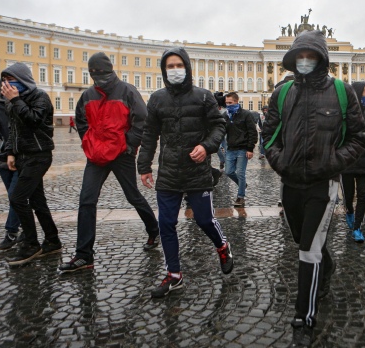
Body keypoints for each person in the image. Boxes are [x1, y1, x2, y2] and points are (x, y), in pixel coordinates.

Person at [261, 30, 365, 347]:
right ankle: (327, 265)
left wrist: (332, 163)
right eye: (300, 57)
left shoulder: (341, 91)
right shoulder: (282, 94)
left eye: (310, 56)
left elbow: (359, 138)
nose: (305, 61)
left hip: (324, 183)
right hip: (290, 182)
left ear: (321, 59)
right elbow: (268, 136)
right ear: (293, 61)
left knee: (308, 251)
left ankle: (304, 319)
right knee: (302, 240)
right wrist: (280, 162)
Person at [137, 47, 233, 298]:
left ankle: (222, 245)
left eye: (179, 65)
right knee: (166, 223)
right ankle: (174, 275)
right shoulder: (157, 99)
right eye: (170, 66)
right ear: (163, 70)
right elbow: (149, 134)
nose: (175, 70)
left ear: (187, 67)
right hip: (168, 171)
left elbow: (219, 126)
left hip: (197, 171)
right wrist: (144, 166)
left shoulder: (203, 96)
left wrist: (206, 146)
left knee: (204, 220)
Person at [59, 52, 160, 273]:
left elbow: (142, 121)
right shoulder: (88, 95)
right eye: (94, 74)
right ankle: (84, 255)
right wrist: (89, 142)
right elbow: (81, 120)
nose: (98, 78)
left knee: (132, 195)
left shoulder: (127, 91)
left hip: (121, 155)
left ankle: (154, 229)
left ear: (110, 70)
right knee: (86, 201)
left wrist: (128, 145)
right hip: (96, 155)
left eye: (101, 73)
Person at [0, 63, 61, 266]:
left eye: (10, 80)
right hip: (22, 156)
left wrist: (16, 100)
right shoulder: (11, 101)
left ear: (22, 80)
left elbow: (34, 120)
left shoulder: (39, 96)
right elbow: (12, 129)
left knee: (17, 198)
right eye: (4, 81)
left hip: (39, 155)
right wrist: (10, 152)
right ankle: (52, 241)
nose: (6, 84)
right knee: (37, 202)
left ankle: (31, 244)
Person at [0, 83, 21, 250]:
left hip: (23, 159)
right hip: (3, 160)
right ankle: (26, 232)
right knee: (15, 197)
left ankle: (12, 232)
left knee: (16, 196)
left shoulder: (20, 102)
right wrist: (2, 145)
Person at [341, 81, 365, 243]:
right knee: (349, 196)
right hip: (348, 163)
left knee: (363, 196)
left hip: (364, 164)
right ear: (357, 94)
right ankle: (349, 211)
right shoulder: (346, 114)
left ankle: (357, 228)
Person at [223, 92, 258, 207]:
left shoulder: (246, 114)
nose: (228, 105)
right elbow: (222, 130)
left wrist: (250, 148)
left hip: (243, 148)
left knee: (240, 172)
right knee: (228, 171)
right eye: (226, 103)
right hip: (231, 148)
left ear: (237, 101)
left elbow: (252, 132)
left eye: (230, 103)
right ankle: (242, 185)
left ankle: (240, 197)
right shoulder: (226, 115)